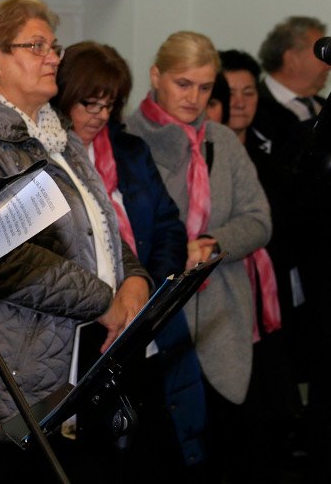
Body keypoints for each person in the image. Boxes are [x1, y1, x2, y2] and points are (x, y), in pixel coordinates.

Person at [0, 0, 152, 484]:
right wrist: (102, 301)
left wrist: (134, 280)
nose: (54, 57)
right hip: (0, 380)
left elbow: (97, 225)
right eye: (36, 46)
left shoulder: (55, 135)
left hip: (70, 362)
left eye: (54, 46)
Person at [51, 41, 202, 481]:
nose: (100, 114)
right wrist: (105, 300)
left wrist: (143, 286)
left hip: (139, 317)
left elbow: (169, 227)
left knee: (137, 453)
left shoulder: (130, 150)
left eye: (110, 104)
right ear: (64, 95)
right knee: (80, 459)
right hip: (77, 327)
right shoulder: (45, 154)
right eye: (89, 103)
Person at [125, 31, 272, 482]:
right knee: (160, 454)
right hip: (156, 318)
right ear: (156, 77)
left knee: (222, 454)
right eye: (183, 84)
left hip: (222, 316)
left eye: (205, 87)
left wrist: (211, 243)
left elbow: (259, 220)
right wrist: (172, 250)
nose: (194, 98)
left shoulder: (222, 141)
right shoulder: (128, 139)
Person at [220, 49, 305, 481]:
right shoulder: (201, 161)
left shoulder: (273, 160)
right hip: (223, 306)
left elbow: (290, 236)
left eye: (249, 92)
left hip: (271, 309)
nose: (239, 102)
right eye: (229, 92)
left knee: (270, 428)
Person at [254, 16, 331, 163]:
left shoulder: (330, 108)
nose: (330, 66)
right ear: (291, 60)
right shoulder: (251, 107)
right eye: (322, 57)